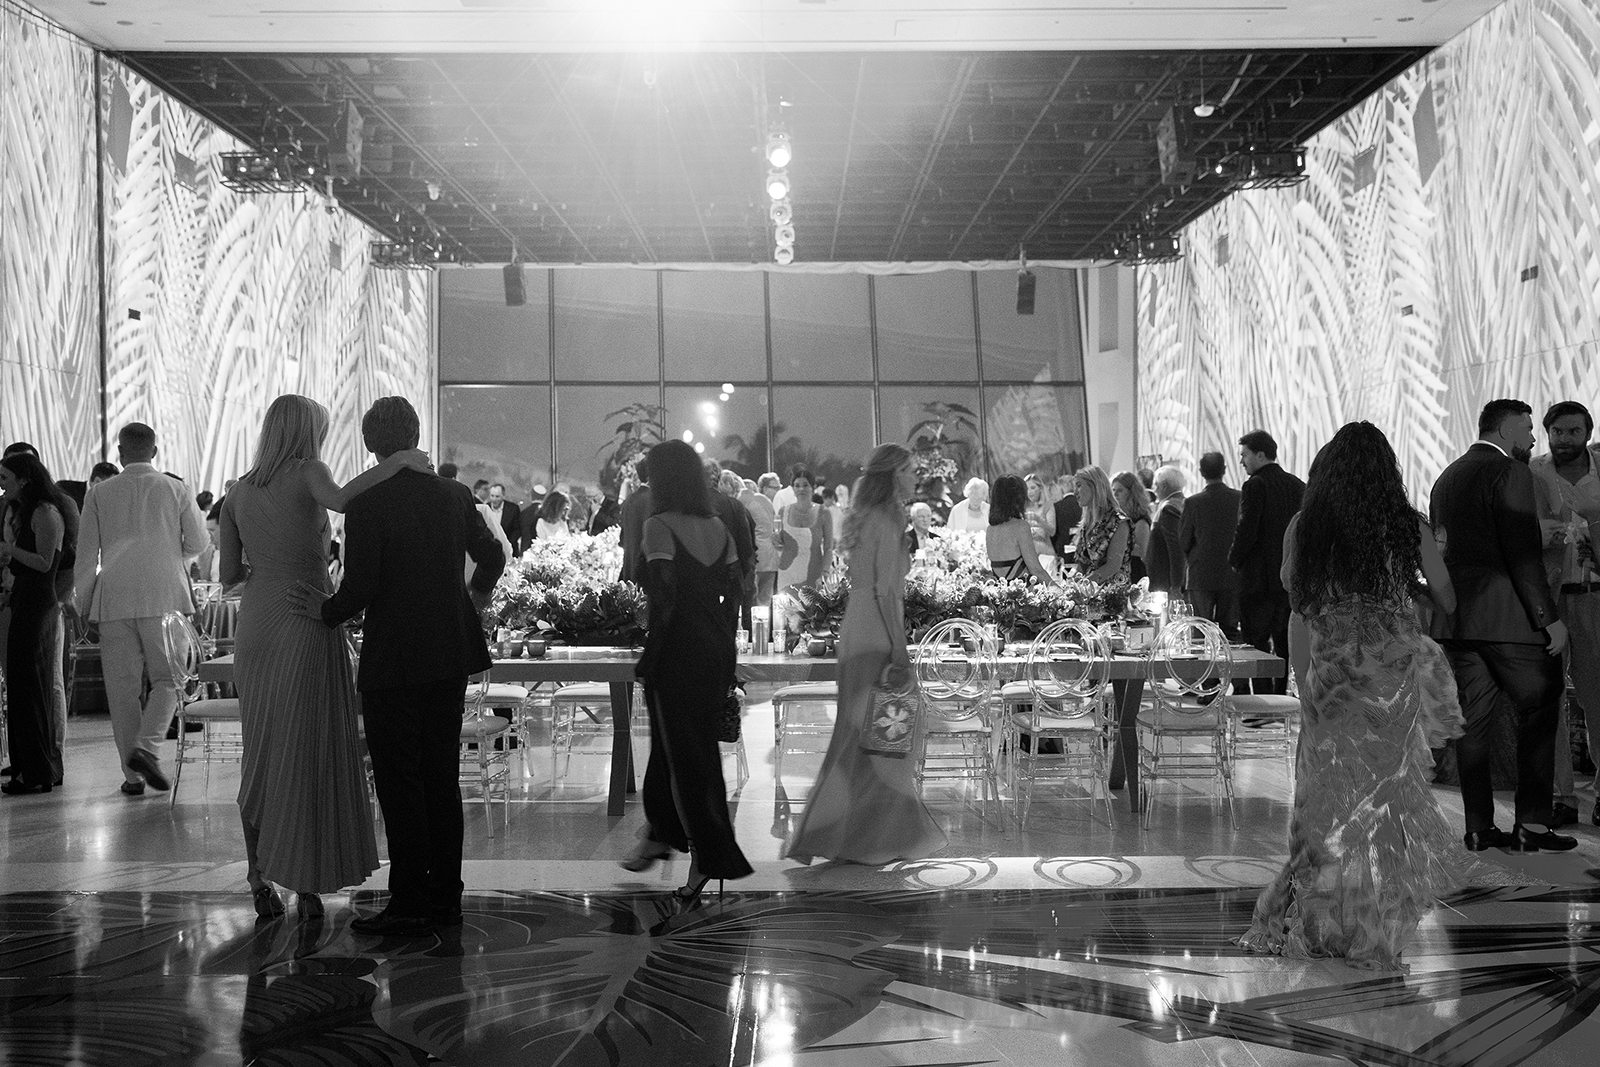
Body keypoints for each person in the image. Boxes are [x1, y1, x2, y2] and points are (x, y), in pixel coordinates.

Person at [1240, 422, 1468, 971]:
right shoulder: (1406, 527)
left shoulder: (1306, 527)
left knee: (1321, 801)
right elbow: (1448, 599)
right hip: (1390, 680)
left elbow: (1298, 607)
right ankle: (1373, 927)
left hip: (1334, 675)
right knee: (1381, 804)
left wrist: (1303, 682)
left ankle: (1311, 916)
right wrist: (1400, 587)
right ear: (1386, 472)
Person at [287, 397, 505, 936]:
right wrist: (472, 600)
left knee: (399, 781)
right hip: (449, 652)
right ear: (414, 434)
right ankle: (446, 898)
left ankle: (409, 898)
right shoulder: (454, 494)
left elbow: (360, 588)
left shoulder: (370, 503)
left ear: (369, 444)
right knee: (440, 778)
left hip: (395, 659)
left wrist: (324, 611)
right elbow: (494, 556)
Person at [220, 395, 424, 921]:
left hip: (258, 621)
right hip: (305, 619)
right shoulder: (309, 471)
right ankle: (306, 882)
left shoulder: (237, 492)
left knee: (261, 748)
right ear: (307, 431)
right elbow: (339, 502)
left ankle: (258, 876)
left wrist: (272, 568)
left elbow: (227, 577)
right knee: (306, 749)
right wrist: (396, 464)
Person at [786, 443, 945, 865]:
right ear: (893, 475)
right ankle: (867, 838)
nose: (916, 477)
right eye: (911, 470)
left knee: (859, 738)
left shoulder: (866, 519)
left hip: (856, 631)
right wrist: (900, 648)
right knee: (883, 741)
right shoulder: (888, 520)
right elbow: (886, 591)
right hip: (876, 632)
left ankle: (839, 835)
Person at [1432, 398, 1573, 854]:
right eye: (1528, 429)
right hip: (1511, 621)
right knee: (1540, 705)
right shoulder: (1511, 474)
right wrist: (1547, 619)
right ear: (1506, 430)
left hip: (1460, 622)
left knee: (1473, 724)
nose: (1534, 439)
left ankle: (1477, 828)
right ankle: (1532, 826)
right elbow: (1522, 553)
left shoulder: (1446, 477)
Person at [617, 440, 753, 898]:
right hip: (714, 654)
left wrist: (651, 656)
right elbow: (733, 600)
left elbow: (664, 603)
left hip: (676, 655)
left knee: (686, 759)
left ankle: (707, 856)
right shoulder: (719, 529)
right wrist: (727, 659)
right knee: (681, 752)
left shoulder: (658, 527)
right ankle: (661, 835)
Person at [74, 423, 208, 796]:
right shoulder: (174, 488)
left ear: (120, 452)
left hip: (113, 600)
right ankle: (146, 748)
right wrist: (168, 555)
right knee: (170, 679)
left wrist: (83, 604)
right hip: (165, 598)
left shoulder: (99, 494)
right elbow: (198, 540)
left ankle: (132, 777)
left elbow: (87, 556)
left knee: (121, 689)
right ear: (155, 450)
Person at [1530, 401, 1600, 827]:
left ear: (1587, 433)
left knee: (1596, 699)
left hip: (1594, 596)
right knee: (1548, 699)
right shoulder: (1534, 473)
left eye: (1575, 432)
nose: (1566, 440)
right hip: (1549, 599)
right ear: (1548, 432)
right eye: (1558, 432)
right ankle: (1562, 796)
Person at [1, 442, 78, 784]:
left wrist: (10, 550)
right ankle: (29, 768)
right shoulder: (26, 510)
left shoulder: (46, 512)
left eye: (5, 478)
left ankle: (37, 770)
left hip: (39, 601)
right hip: (24, 598)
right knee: (21, 684)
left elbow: (47, 563)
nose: (2, 485)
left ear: (24, 480)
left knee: (33, 685)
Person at [1230, 430, 1306, 695]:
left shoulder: (1255, 485)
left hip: (1257, 579)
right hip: (1288, 579)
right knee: (1284, 643)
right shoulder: (1297, 484)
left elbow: (1247, 529)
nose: (1241, 462)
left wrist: (1234, 559)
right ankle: (1278, 697)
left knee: (1257, 643)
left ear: (1260, 455)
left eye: (1244, 455)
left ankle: (1261, 699)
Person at [1181, 451, 1242, 637]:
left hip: (1200, 574)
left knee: (1200, 630)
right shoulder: (1239, 498)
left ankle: (1202, 666)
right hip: (1231, 573)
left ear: (1201, 471)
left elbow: (1184, 540)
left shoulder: (1193, 502)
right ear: (1224, 470)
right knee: (1230, 632)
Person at [986, 474, 1053, 583]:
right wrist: (1060, 592)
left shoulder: (990, 529)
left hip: (1000, 595)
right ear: (1019, 498)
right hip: (1022, 595)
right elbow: (1036, 570)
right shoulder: (1020, 527)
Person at [1071, 466, 1131, 584]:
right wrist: (1070, 584)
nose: (1075, 492)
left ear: (1094, 486)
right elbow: (1082, 564)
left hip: (1113, 594)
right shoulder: (1087, 522)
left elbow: (1113, 566)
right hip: (1089, 594)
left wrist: (1082, 586)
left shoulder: (1118, 521)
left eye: (1079, 485)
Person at [776, 466, 832, 591]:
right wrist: (774, 540)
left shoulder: (824, 513)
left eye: (805, 485)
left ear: (812, 488)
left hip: (813, 573)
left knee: (812, 609)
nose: (801, 489)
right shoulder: (783, 512)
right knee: (786, 608)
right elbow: (778, 545)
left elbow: (828, 548)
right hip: (787, 573)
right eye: (797, 485)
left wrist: (825, 573)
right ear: (793, 489)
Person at [1145, 465, 1187, 594]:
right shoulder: (1183, 503)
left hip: (1165, 582)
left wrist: (1175, 586)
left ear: (1164, 486)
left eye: (1155, 485)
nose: (1153, 489)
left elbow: (1176, 550)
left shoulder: (1168, 509)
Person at [741, 474, 779, 607]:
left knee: (752, 600)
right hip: (771, 556)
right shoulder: (766, 502)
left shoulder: (745, 502)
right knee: (766, 600)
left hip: (756, 556)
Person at [1112, 470, 1153, 585]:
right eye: (1113, 490)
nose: (1115, 495)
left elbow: (1140, 550)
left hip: (1132, 571)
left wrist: (1113, 544)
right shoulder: (1114, 517)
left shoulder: (1140, 519)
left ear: (1131, 493)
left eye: (1120, 490)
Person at [619, 458, 652, 584]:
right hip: (644, 573)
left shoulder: (630, 499)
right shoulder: (652, 500)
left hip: (629, 566)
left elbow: (623, 538)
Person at [1023, 473, 1057, 574]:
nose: (1029, 492)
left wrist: (1039, 520)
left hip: (1045, 553)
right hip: (1028, 554)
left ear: (1040, 489)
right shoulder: (1022, 507)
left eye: (1033, 487)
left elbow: (1052, 531)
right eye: (1027, 488)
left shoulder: (1048, 505)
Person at [1049, 473, 1083, 559]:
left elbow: (1054, 532)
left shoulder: (1057, 507)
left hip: (1063, 551)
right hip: (1082, 549)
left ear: (1062, 488)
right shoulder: (1084, 505)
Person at [486, 483, 522, 555]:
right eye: (492, 496)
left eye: (497, 496)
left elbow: (517, 529)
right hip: (489, 551)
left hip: (509, 550)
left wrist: (506, 545)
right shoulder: (486, 508)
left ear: (503, 496)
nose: (494, 499)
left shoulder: (513, 509)